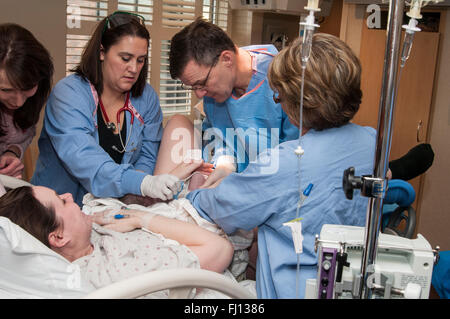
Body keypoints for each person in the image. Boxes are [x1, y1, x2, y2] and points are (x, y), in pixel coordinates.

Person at [186, 33, 377, 298]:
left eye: (279, 98)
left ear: (298, 101)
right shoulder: (372, 141)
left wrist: (193, 195)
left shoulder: (285, 163)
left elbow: (225, 207)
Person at [31, 11, 198, 206]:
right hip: (60, 207)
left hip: (114, 205)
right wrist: (141, 183)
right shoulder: (69, 94)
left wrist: (137, 192)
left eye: (140, 60)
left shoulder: (146, 98)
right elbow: (86, 161)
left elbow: (147, 155)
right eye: (125, 58)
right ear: (102, 52)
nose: (134, 69)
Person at [0, 185, 234, 295]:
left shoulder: (87, 230)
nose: (69, 195)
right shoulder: (116, 272)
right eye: (61, 201)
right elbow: (220, 249)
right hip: (212, 238)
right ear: (59, 237)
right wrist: (142, 218)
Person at [169, 18, 298, 187]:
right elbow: (217, 134)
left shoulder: (284, 80)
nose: (200, 94)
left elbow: (295, 154)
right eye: (193, 87)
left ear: (227, 59)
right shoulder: (216, 91)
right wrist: (225, 160)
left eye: (202, 83)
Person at [0, 23, 54, 179]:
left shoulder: (31, 101)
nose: (18, 102)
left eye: (27, 88)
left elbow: (23, 136)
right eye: (6, 90)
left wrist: (12, 152)